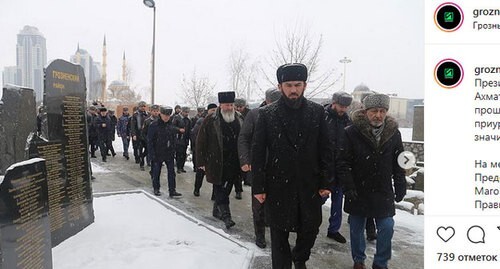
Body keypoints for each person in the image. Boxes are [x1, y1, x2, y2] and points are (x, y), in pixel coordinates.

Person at [252, 63, 333, 269]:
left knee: (310, 229)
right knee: (279, 234)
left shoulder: (317, 112)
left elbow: (325, 149)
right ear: (280, 87)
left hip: (310, 185)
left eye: (297, 84)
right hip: (278, 185)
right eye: (288, 85)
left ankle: (300, 257)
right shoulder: (267, 114)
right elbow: (258, 152)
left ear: (305, 85)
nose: (293, 89)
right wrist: (258, 187)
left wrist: (326, 181)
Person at [336, 93, 406, 269]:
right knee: (356, 228)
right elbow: (343, 162)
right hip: (358, 189)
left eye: (382, 111)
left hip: (383, 190)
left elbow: (400, 161)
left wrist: (400, 184)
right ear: (366, 111)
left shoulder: (393, 134)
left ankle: (380, 262)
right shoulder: (351, 133)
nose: (378, 115)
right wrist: (348, 186)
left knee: (387, 226)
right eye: (374, 111)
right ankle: (359, 260)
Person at [238, 87, 281, 249]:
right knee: (259, 203)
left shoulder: (285, 114)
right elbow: (243, 138)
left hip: (280, 167)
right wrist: (245, 159)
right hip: (259, 166)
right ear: (267, 100)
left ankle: (275, 230)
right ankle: (260, 235)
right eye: (273, 101)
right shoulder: (255, 115)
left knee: (277, 203)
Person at [196, 91, 243, 229]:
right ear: (220, 105)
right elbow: (200, 141)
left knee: (227, 188)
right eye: (226, 105)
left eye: (231, 105)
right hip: (216, 161)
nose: (229, 108)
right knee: (220, 189)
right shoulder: (211, 119)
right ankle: (227, 217)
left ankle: (217, 210)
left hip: (234, 161)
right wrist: (201, 162)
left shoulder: (239, 118)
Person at [324, 91, 353, 244]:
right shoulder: (322, 117)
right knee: (319, 200)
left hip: (340, 168)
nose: (343, 109)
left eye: (346, 107)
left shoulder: (348, 122)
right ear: (333, 103)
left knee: (337, 201)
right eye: (341, 106)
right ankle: (306, 223)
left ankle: (333, 230)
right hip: (323, 168)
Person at [148, 106, 182, 197]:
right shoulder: (154, 125)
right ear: (161, 114)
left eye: (168, 115)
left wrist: (174, 148)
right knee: (156, 172)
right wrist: (152, 154)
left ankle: (172, 190)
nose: (166, 117)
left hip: (169, 152)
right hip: (157, 152)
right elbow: (150, 141)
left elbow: (173, 138)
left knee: (171, 172)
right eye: (165, 115)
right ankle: (156, 188)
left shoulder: (171, 125)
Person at [191, 103, 217, 196]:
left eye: (215, 110)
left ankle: (215, 194)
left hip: (214, 153)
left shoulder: (218, 121)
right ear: (208, 110)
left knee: (215, 175)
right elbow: (195, 135)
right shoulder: (202, 120)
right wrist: (197, 148)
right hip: (204, 151)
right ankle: (197, 189)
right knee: (200, 172)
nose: (214, 112)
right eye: (212, 110)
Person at [130, 101, 149, 170]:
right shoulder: (135, 115)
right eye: (141, 106)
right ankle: (141, 163)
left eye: (144, 106)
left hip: (146, 135)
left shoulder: (147, 114)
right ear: (139, 107)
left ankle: (144, 157)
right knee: (139, 149)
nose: (143, 108)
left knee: (148, 149)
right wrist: (133, 134)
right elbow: (132, 126)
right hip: (138, 134)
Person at [173, 106, 190, 173]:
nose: (187, 113)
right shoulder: (177, 118)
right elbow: (172, 127)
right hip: (178, 139)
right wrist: (179, 129)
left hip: (185, 139)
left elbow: (189, 129)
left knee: (183, 154)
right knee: (179, 153)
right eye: (185, 112)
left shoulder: (188, 119)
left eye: (188, 112)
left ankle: (182, 167)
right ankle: (178, 167)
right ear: (182, 111)